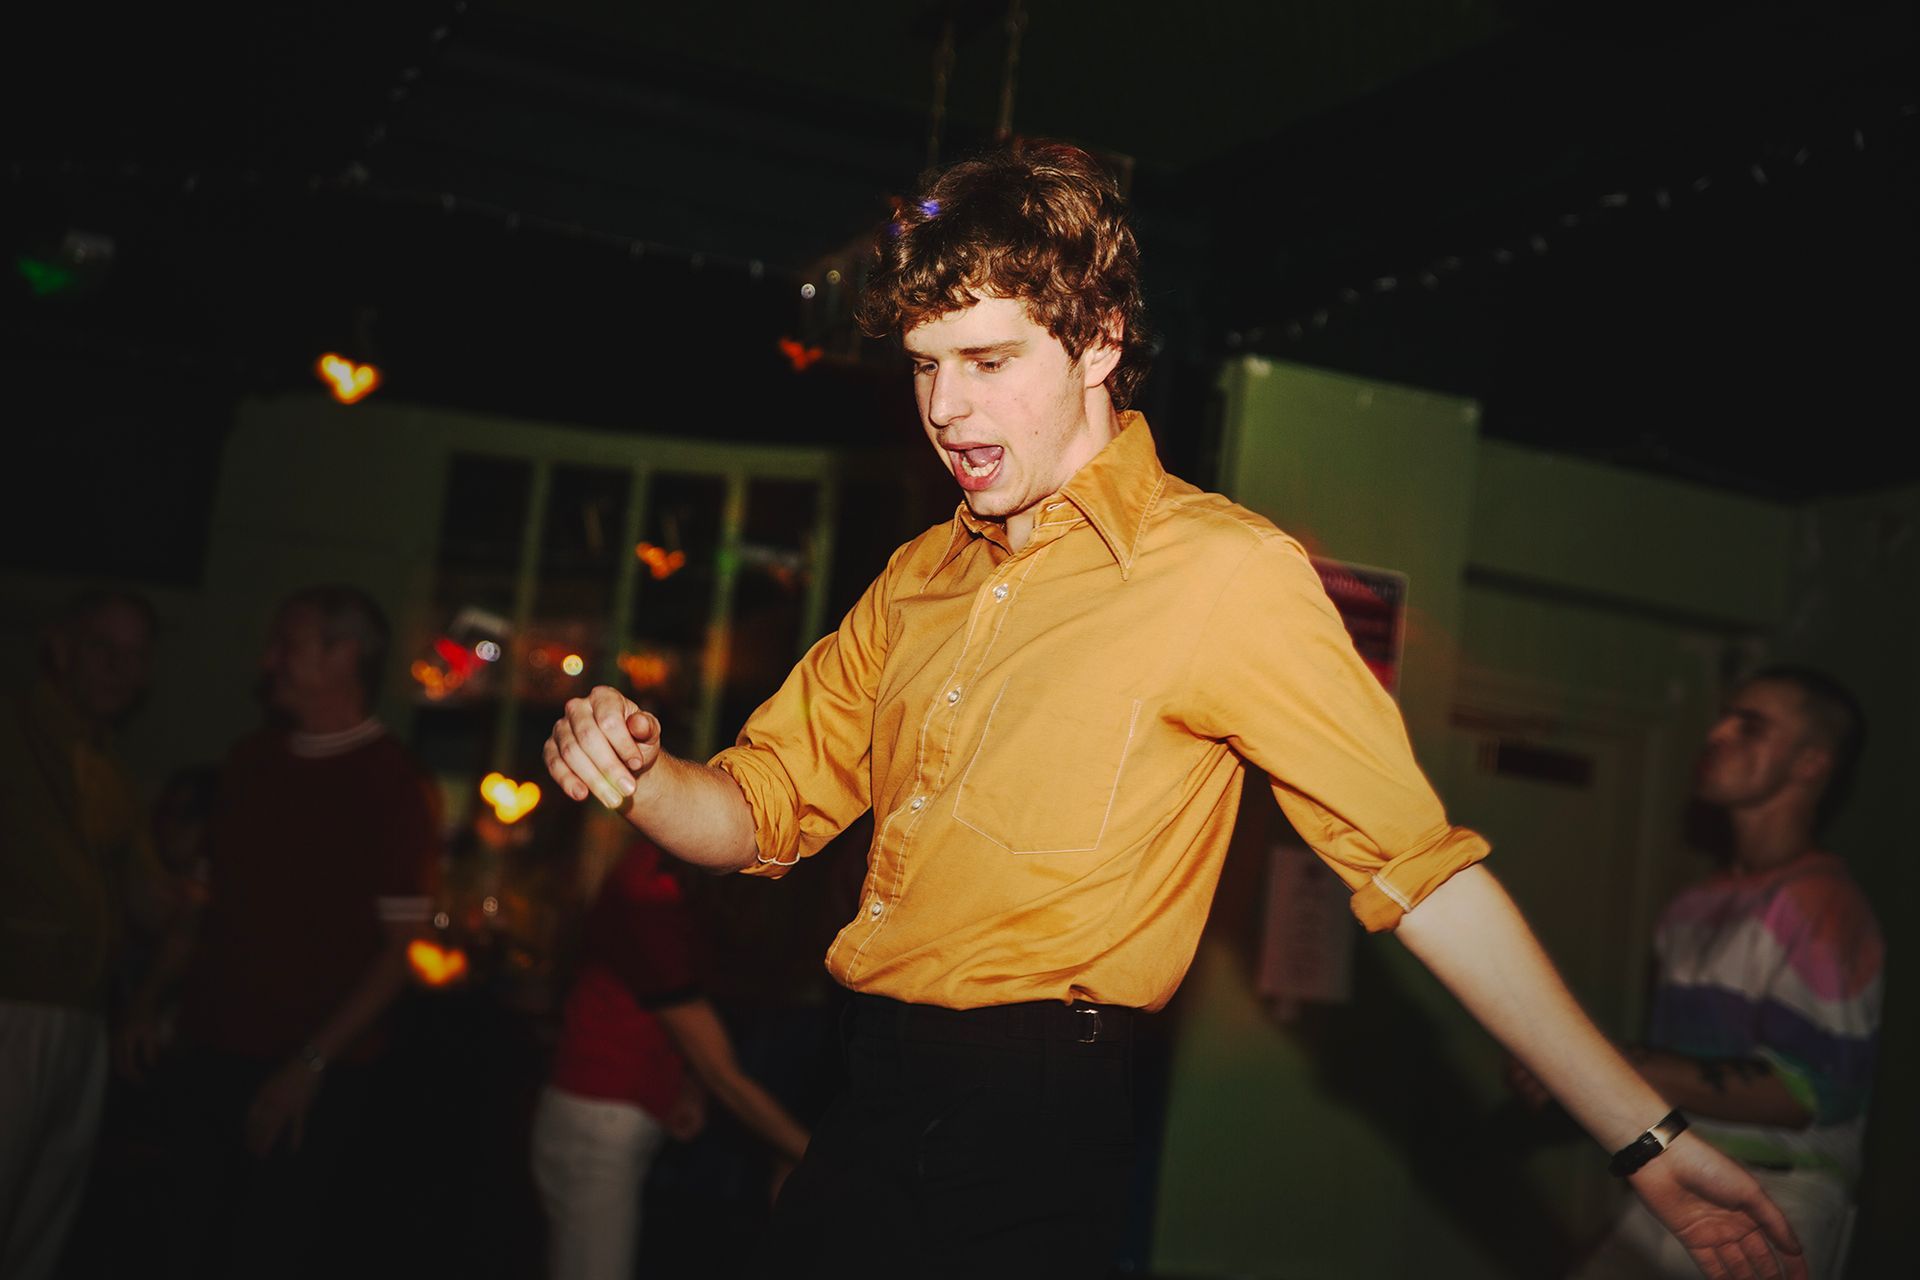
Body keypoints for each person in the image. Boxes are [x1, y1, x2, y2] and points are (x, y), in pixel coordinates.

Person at [543, 140, 1808, 1279]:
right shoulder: (918, 576)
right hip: (864, 1097)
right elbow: (756, 809)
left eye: (989, 361)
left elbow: (1422, 874)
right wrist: (643, 774)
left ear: (1097, 341)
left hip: (1032, 1127)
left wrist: (1645, 1135)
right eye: (926, 365)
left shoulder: (1224, 572)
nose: (945, 407)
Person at [123, 584, 438, 1278]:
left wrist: (308, 1066)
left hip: (310, 1078)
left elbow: (399, 955)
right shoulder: (249, 760)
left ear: (343, 656)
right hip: (206, 1054)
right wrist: (147, 1002)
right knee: (177, 1246)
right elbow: (202, 905)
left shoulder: (391, 781)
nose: (268, 661)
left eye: (287, 645)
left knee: (266, 1251)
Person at [1551, 667, 1881, 1279]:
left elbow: (1806, 1093)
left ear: (1811, 762)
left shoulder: (1821, 905)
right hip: (1677, 1177)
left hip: (1773, 1202)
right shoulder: (1690, 907)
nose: (1717, 733)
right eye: (1724, 717)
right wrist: (1580, 1073)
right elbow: (1676, 1076)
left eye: (1749, 726)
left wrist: (1594, 1061)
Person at [531, 836, 810, 1280]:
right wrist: (816, 1159)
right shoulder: (648, 889)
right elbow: (724, 1074)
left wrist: (686, 1083)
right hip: (597, 1121)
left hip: (610, 1115)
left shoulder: (669, 874)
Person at [0, 590, 161, 1280]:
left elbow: (150, 899)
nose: (120, 669)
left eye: (136, 655)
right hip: (13, 1005)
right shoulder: (15, 730)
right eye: (103, 649)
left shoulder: (110, 767)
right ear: (60, 649)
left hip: (84, 1017)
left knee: (37, 1228)